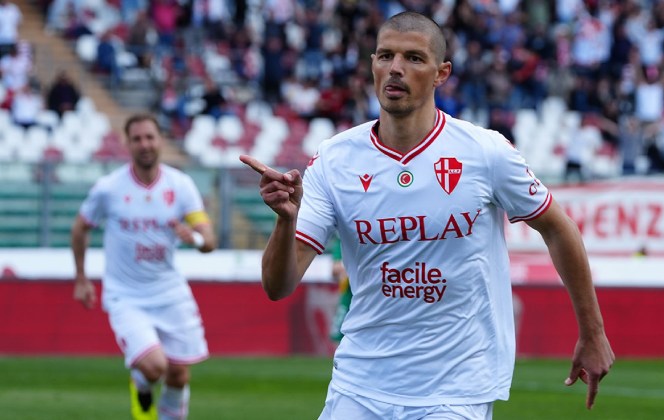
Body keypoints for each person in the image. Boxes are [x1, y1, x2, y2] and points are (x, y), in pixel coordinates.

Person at [240, 11, 613, 419]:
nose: (395, 69)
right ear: (371, 64)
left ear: (441, 73)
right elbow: (278, 286)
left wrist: (592, 332)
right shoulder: (335, 159)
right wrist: (285, 219)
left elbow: (559, 229)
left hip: (455, 390)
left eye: (414, 58)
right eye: (385, 56)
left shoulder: (484, 152)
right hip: (360, 384)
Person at [71, 114, 216, 420]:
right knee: (154, 366)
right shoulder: (109, 188)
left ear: (160, 140)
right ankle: (141, 381)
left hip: (169, 291)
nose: (145, 144)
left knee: (178, 376)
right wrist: (81, 279)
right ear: (127, 144)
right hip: (126, 295)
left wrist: (197, 240)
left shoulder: (180, 185)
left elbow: (209, 238)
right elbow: (81, 228)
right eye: (137, 139)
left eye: (150, 137)